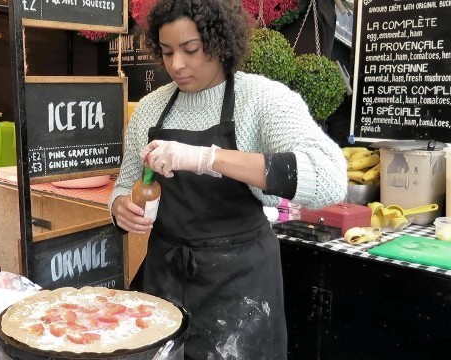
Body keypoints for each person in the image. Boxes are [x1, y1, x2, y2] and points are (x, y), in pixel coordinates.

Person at [109, 0, 347, 358]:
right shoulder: (151, 108)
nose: (177, 64)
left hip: (240, 286)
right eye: (168, 51)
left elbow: (330, 178)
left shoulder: (262, 99)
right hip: (166, 275)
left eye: (190, 50)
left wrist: (209, 158)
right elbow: (126, 184)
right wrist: (120, 207)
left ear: (219, 42)